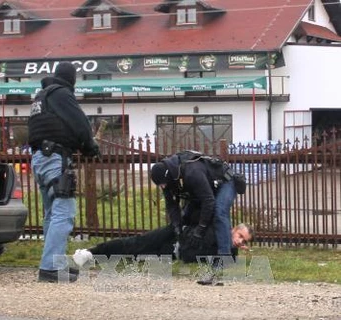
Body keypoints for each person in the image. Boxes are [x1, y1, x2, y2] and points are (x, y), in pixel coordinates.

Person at [28, 62, 100, 283]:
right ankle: (50, 267)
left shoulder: (41, 96)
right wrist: (91, 147)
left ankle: (52, 264)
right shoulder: (61, 93)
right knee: (64, 213)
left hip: (40, 157)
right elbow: (80, 123)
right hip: (55, 158)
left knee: (52, 214)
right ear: (72, 79)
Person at [72, 223, 253, 285]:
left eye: (244, 242)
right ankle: (89, 253)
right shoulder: (219, 227)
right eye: (240, 236)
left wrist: (235, 249)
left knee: (134, 256)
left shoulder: (227, 251)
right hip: (171, 235)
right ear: (234, 229)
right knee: (134, 244)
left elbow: (225, 263)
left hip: (171, 253)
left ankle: (94, 259)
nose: (239, 241)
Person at [149, 151, 246, 257]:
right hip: (207, 187)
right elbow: (171, 205)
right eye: (160, 185)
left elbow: (208, 201)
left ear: (167, 175)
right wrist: (177, 227)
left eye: (163, 184)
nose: (163, 187)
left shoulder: (192, 172)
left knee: (219, 211)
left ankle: (226, 254)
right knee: (187, 216)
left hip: (225, 181)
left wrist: (200, 229)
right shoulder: (168, 179)